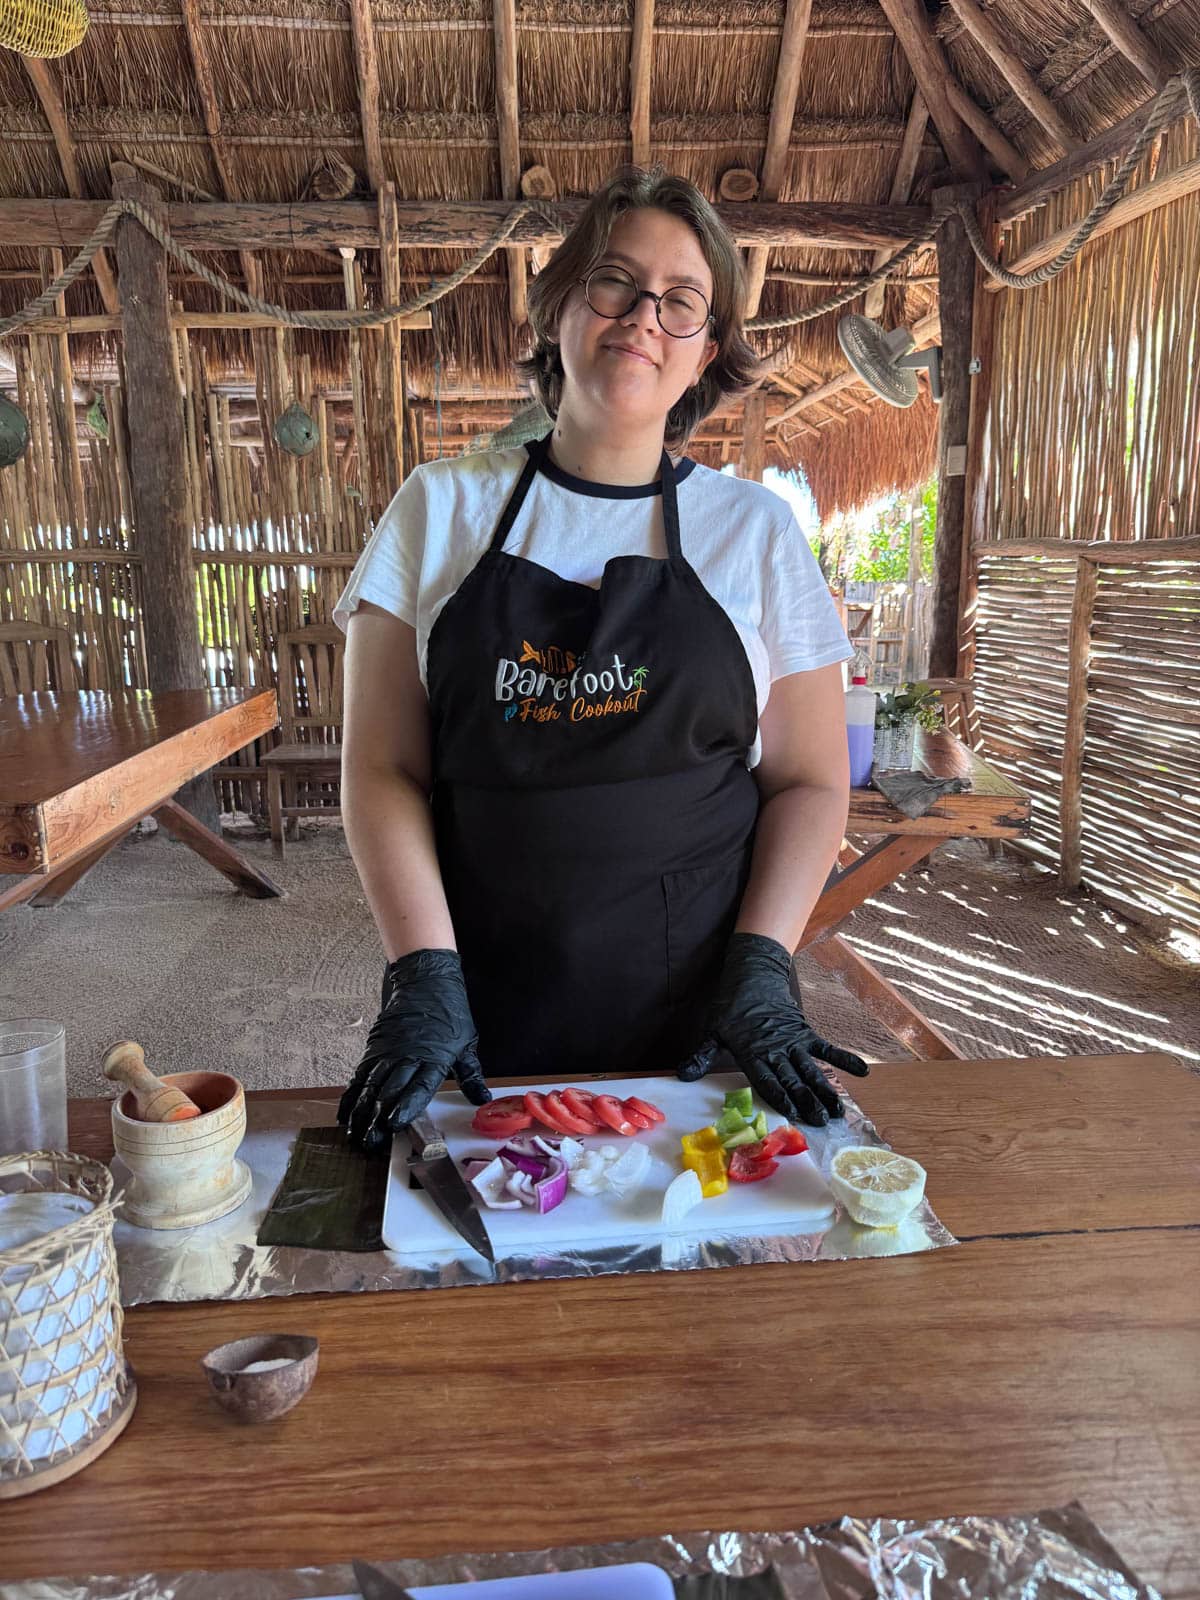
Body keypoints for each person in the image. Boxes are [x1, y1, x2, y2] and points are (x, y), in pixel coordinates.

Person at [334, 166, 868, 1152]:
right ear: (558, 302)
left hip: (700, 1025)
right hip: (474, 1009)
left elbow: (807, 781)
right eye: (615, 280)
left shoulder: (754, 532)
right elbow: (380, 770)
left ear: (707, 347)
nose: (643, 318)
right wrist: (423, 978)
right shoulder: (437, 507)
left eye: (681, 301)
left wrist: (762, 968)